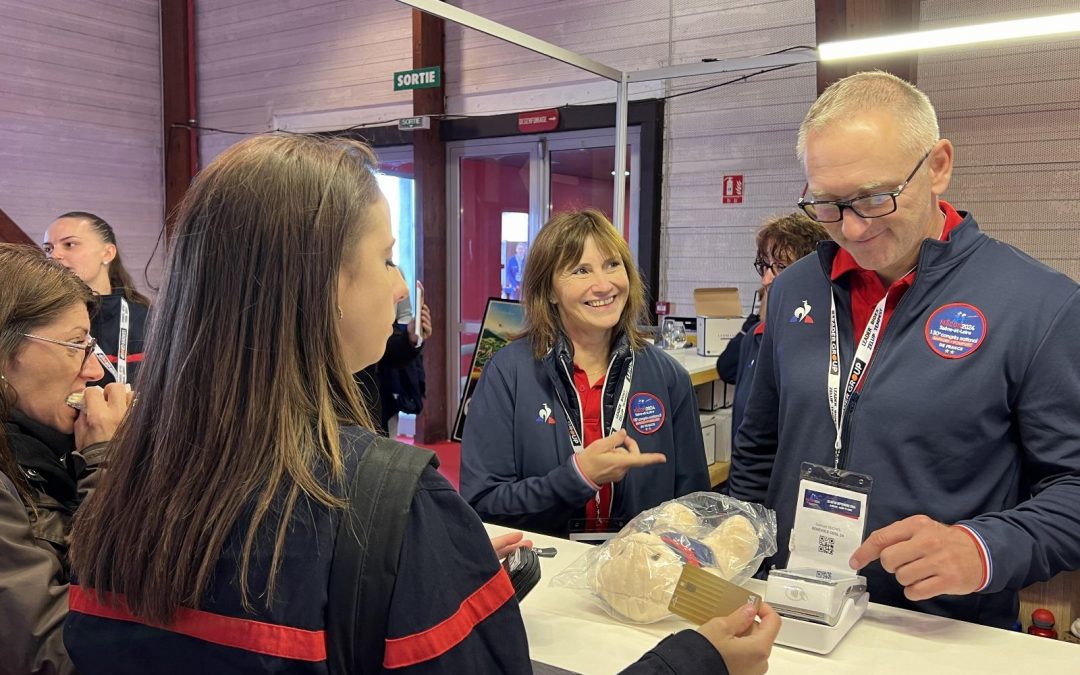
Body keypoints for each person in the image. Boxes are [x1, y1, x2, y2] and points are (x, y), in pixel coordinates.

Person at [64, 134, 778, 675]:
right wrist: (700, 660)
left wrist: (436, 570)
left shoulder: (125, 488)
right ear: (318, 288)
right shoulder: (389, 497)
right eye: (385, 258)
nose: (402, 287)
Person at [728, 71, 1080, 629]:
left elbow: (1074, 485)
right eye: (825, 203)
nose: (850, 227)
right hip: (791, 613)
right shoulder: (795, 289)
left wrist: (984, 548)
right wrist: (737, 559)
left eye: (873, 197)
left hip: (938, 628)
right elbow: (759, 447)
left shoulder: (1038, 305)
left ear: (938, 165)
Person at [460, 209, 711, 538]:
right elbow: (482, 502)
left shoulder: (667, 377)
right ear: (549, 291)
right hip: (546, 574)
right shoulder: (508, 374)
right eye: (581, 270)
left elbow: (694, 505)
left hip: (640, 575)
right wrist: (577, 478)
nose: (603, 285)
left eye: (612, 265)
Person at [0, 244, 132, 675]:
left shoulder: (44, 449)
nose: (95, 371)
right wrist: (106, 463)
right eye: (75, 344)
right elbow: (57, 653)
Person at [715, 213, 829, 450]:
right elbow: (726, 368)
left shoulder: (827, 343)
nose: (767, 279)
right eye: (765, 266)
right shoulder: (757, 333)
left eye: (780, 267)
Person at [43, 212, 151, 387]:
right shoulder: (43, 320)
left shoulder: (150, 320)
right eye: (48, 248)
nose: (54, 256)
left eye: (70, 244)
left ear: (107, 253)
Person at [355, 273, 433, 436]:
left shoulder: (390, 275)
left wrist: (410, 338)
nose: (403, 289)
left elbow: (390, 349)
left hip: (378, 402)